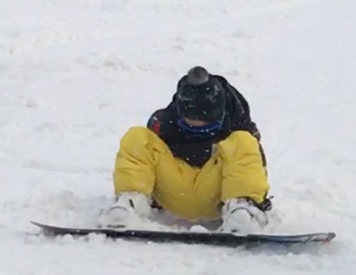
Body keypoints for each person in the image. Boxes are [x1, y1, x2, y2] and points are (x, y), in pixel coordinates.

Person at [101, 66, 271, 233]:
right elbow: (142, 163)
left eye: (205, 125)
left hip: (217, 196)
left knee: (244, 142)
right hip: (173, 191)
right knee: (137, 137)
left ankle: (242, 209)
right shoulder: (162, 124)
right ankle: (131, 202)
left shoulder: (239, 128)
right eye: (189, 123)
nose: (197, 128)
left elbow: (255, 168)